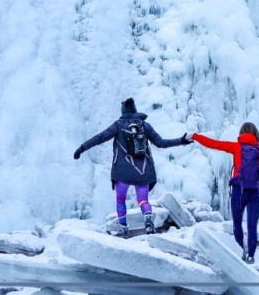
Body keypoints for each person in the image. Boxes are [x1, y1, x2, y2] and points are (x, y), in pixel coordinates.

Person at [74, 98, 193, 236]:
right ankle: (148, 221)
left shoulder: (118, 125)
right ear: (135, 110)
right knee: (143, 200)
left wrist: (81, 149)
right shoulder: (144, 126)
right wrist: (182, 140)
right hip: (143, 171)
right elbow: (161, 143)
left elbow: (100, 138)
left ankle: (123, 228)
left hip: (122, 172)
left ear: (123, 111)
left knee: (120, 199)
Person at [191, 122, 259, 264]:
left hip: (239, 190)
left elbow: (213, 144)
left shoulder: (236, 147)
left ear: (241, 133)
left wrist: (195, 136)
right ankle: (251, 256)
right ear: (255, 134)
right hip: (255, 191)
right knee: (252, 226)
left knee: (237, 224)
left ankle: (241, 252)